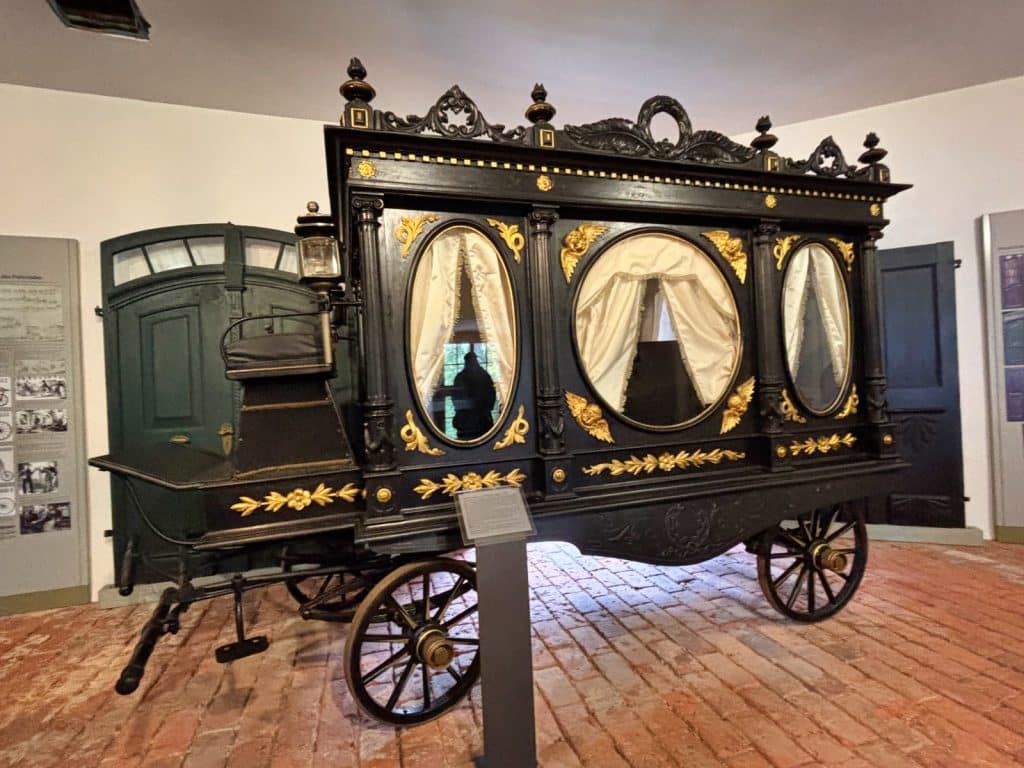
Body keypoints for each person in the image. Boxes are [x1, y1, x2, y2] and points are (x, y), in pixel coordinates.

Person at [451, 351, 496, 440]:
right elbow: (456, 397)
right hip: (466, 419)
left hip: (482, 418)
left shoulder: (484, 376)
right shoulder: (461, 377)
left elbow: (491, 394)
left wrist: (487, 408)